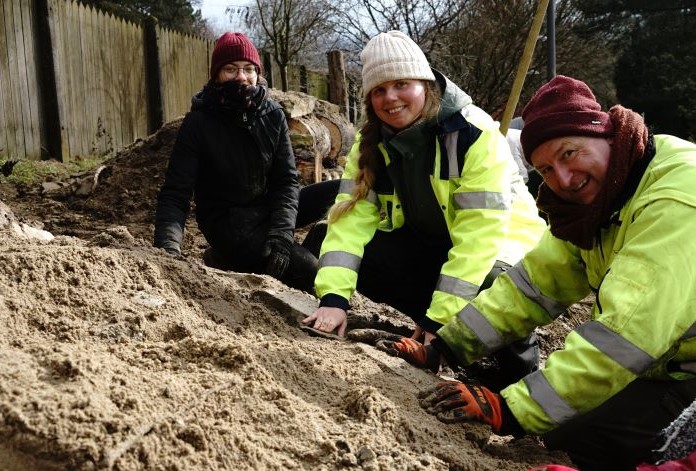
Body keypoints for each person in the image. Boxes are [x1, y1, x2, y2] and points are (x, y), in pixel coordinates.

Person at [387, 75, 696, 470]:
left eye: (570, 153)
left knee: (578, 440)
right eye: (546, 169)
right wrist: (445, 348)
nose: (563, 180)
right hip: (663, 361)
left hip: (682, 372)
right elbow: (532, 286)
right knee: (558, 428)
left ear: (604, 135)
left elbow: (626, 333)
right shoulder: (603, 194)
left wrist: (510, 409)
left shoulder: (675, 198)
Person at [301, 30, 547, 386]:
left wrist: (439, 321)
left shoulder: (472, 133)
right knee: (325, 239)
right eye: (379, 90)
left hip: (502, 253)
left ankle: (517, 369)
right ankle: (438, 332)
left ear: (425, 84)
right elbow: (350, 219)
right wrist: (335, 298)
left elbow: (479, 239)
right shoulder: (373, 143)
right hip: (434, 245)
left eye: (402, 84)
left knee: (494, 284)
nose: (391, 98)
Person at [153, 32, 319, 292]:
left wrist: (282, 235)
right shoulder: (198, 123)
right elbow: (176, 194)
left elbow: (286, 182)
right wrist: (167, 251)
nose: (241, 77)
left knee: (342, 190)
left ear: (257, 73)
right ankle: (225, 256)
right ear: (216, 75)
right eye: (230, 69)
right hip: (229, 224)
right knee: (312, 272)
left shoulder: (272, 115)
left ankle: (312, 243)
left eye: (248, 69)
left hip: (265, 210)